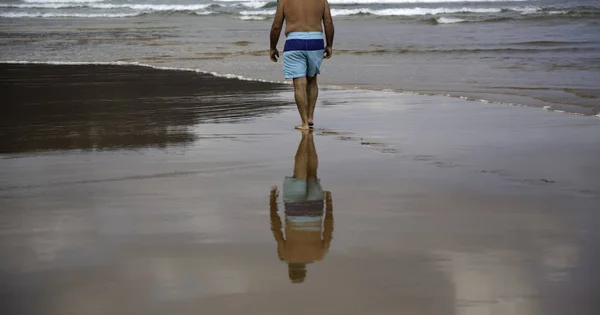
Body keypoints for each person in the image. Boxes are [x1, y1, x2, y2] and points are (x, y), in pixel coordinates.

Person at [269, 130, 334, 283]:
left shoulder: (319, 255)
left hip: (315, 209)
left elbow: (329, 228)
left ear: (304, 269)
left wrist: (329, 203)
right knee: (299, 171)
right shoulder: (285, 255)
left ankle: (309, 140)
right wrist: (272, 203)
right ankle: (305, 138)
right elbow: (276, 228)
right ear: (290, 268)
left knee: (312, 172)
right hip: (294, 210)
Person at [269, 0, 335, 130]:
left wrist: (272, 47)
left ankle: (304, 123)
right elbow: (328, 22)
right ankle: (310, 117)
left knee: (299, 84)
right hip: (316, 41)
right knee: (312, 80)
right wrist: (329, 45)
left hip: (294, 42)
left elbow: (276, 26)